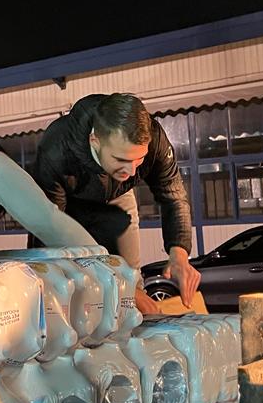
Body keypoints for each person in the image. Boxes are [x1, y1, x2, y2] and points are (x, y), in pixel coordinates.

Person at [32, 93, 202, 310]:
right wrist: (122, 285)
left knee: (132, 281)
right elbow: (50, 230)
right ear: (95, 141)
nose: (131, 171)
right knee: (71, 286)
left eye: (139, 160)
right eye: (121, 159)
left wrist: (179, 254)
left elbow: (174, 196)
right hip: (67, 205)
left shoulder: (156, 140)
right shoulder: (56, 148)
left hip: (119, 196)